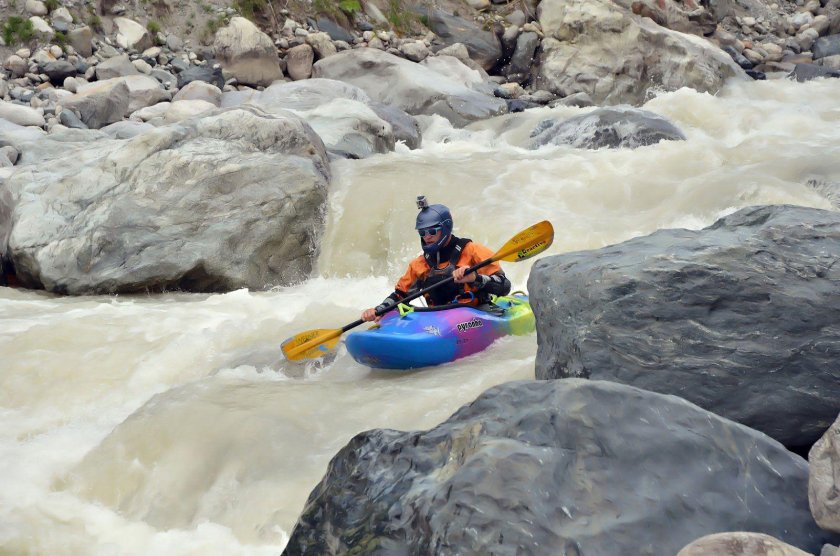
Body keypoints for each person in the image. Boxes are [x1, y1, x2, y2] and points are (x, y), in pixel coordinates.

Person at [361, 196, 511, 322]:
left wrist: (475, 278)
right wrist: (379, 309)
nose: (427, 237)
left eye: (432, 231)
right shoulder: (419, 264)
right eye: (422, 232)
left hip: (476, 313)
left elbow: (504, 285)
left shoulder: (473, 251)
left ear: (445, 228)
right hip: (438, 320)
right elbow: (400, 296)